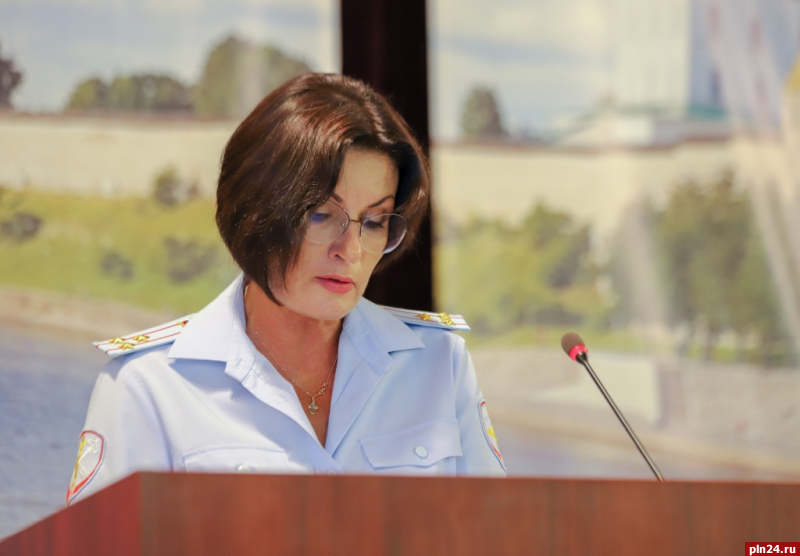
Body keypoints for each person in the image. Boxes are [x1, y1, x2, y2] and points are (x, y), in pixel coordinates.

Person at [66, 73, 506, 505]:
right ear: (256, 212)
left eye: (374, 222)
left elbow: (494, 535)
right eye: (320, 215)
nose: (351, 250)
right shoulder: (147, 385)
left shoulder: (439, 365)